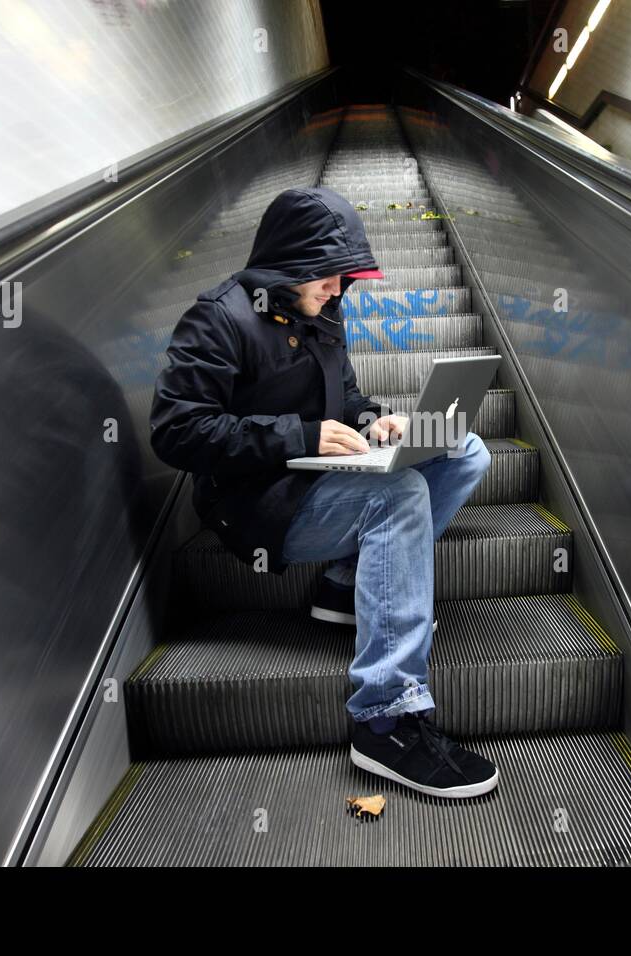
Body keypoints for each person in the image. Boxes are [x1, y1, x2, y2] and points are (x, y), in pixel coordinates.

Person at [150, 186, 499, 798]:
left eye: (344, 279)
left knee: (464, 450)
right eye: (330, 278)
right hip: (256, 505)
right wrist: (297, 435)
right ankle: (386, 719)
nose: (339, 291)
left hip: (317, 479)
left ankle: (345, 583)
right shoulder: (218, 319)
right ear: (292, 265)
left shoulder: (321, 314)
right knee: (401, 496)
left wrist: (376, 422)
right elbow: (176, 431)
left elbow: (346, 401)